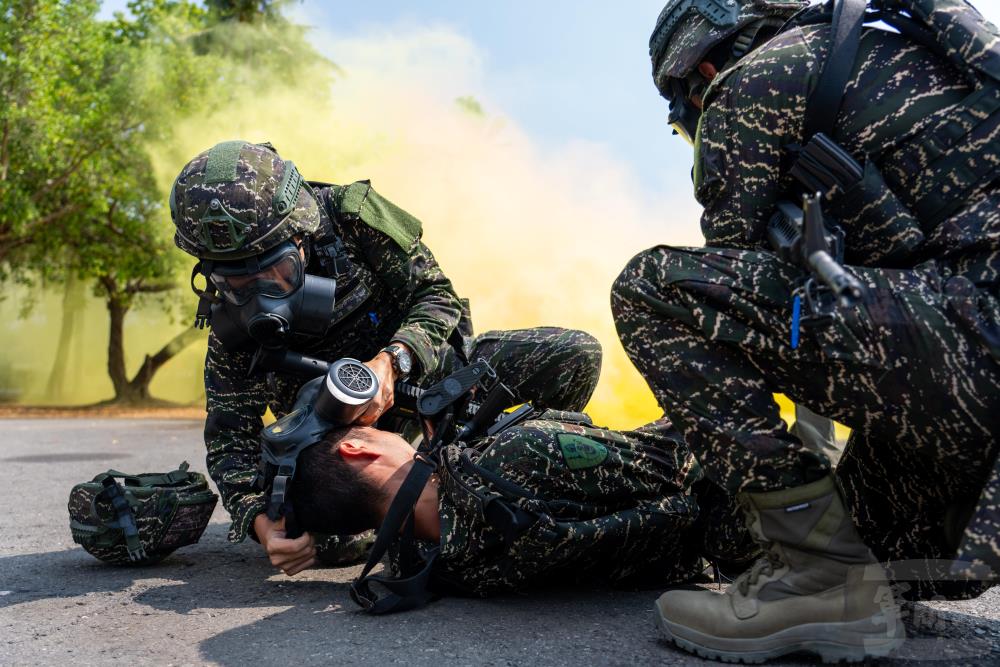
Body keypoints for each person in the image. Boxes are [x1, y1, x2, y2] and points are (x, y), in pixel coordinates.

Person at [611, 0, 1000, 662]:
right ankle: (849, 580)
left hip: (972, 347)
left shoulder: (743, 87)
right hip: (966, 354)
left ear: (701, 68)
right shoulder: (903, 54)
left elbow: (735, 311)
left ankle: (822, 574)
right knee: (866, 533)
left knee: (657, 289)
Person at [168, 140, 603, 577]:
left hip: (426, 382)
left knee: (569, 355)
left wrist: (393, 361)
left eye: (278, 275)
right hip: (335, 442)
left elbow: (436, 296)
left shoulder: (352, 217)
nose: (260, 298)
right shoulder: (231, 324)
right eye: (236, 283)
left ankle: (497, 470)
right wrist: (262, 525)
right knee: (330, 539)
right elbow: (230, 439)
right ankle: (441, 507)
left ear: (300, 233)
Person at [289, 412, 758, 597]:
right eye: (375, 430)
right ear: (357, 449)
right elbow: (681, 459)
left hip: (716, 560)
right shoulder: (513, 457)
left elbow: (378, 530)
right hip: (760, 513)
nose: (393, 430)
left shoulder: (444, 565)